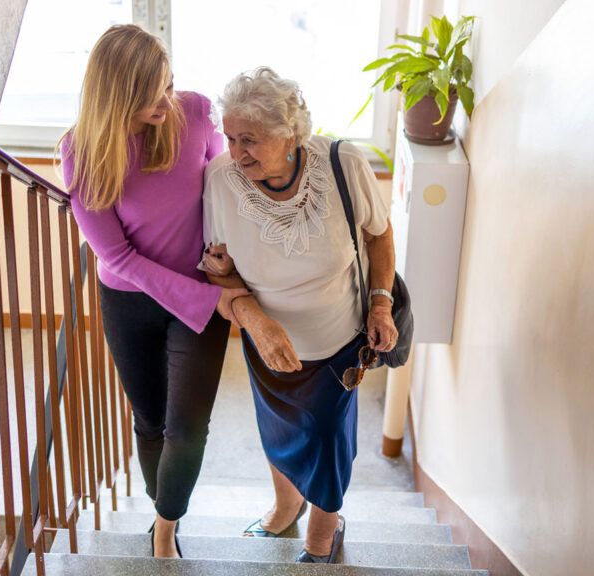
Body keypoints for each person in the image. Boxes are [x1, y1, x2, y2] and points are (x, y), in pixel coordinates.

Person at [59, 24, 247, 559]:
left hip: (200, 292)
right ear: (117, 95)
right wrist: (211, 301)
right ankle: (163, 508)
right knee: (150, 422)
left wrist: (224, 255)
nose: (167, 100)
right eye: (152, 95)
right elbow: (117, 257)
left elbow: (225, 185)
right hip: (131, 301)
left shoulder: (194, 112)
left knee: (187, 427)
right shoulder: (82, 153)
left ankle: (165, 529)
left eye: (169, 84)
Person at [199, 67, 398, 563]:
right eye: (229, 137)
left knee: (328, 438)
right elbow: (217, 268)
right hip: (266, 341)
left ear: (290, 134)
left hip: (340, 342)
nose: (236, 151)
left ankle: (322, 533)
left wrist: (380, 301)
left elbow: (379, 235)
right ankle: (286, 505)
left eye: (251, 139)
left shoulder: (342, 163)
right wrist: (250, 314)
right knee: (279, 430)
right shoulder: (220, 180)